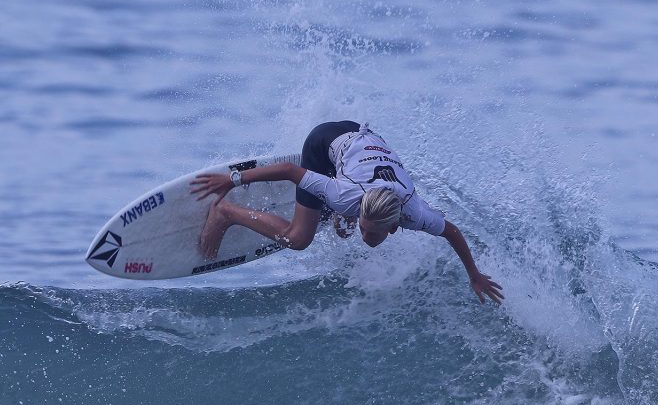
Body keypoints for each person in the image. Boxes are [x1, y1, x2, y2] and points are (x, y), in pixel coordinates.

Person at [190, 121, 504, 304]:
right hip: (323, 142)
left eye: (371, 232)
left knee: (340, 227)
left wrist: (473, 275)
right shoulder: (346, 196)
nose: (365, 236)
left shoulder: (415, 214)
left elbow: (451, 231)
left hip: (360, 140)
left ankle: (327, 212)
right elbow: (288, 169)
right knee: (299, 238)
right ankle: (226, 213)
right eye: (365, 227)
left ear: (394, 227)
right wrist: (232, 179)